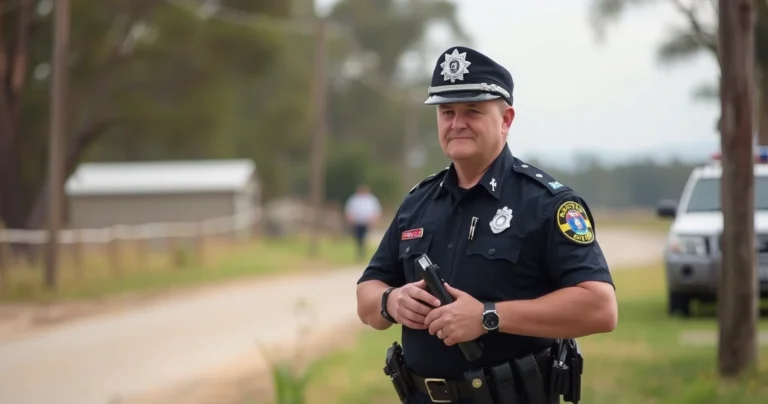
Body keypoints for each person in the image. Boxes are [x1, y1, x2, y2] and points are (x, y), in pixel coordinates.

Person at [355, 46, 618, 404]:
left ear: (506, 120)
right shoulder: (417, 203)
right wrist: (392, 301)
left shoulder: (546, 203)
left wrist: (488, 316)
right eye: (446, 111)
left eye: (473, 111)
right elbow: (366, 293)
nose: (456, 123)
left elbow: (600, 308)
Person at [344, 184, 382, 261]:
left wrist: (373, 220)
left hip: (366, 222)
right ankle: (359, 251)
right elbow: (349, 210)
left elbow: (376, 210)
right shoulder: (354, 199)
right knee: (358, 237)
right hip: (357, 222)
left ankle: (363, 251)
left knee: (364, 237)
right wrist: (350, 219)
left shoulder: (371, 199)